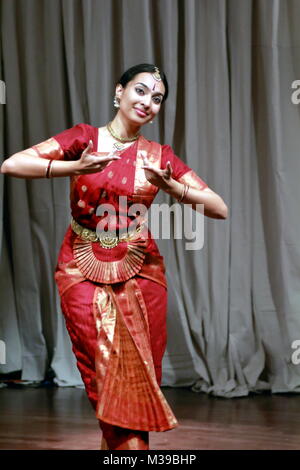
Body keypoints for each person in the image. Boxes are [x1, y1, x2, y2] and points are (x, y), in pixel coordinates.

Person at [1, 63, 228, 450]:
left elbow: (218, 207)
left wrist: (170, 185)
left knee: (140, 374)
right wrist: (74, 166)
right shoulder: (84, 138)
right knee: (104, 371)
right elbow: (12, 164)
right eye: (140, 91)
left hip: (141, 270)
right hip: (80, 265)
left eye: (157, 99)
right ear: (119, 92)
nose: (148, 103)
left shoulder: (158, 156)